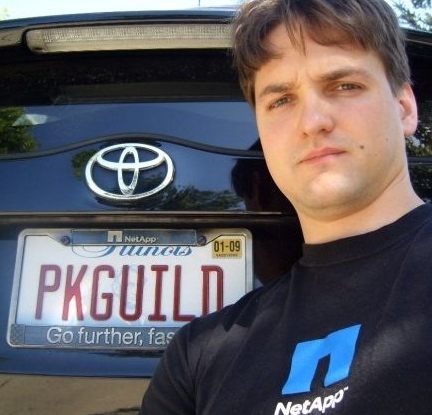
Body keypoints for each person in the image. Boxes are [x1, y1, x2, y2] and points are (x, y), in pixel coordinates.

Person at [141, 0, 432, 413]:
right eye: (281, 100)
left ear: (404, 107)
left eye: (344, 85)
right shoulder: (197, 358)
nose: (312, 121)